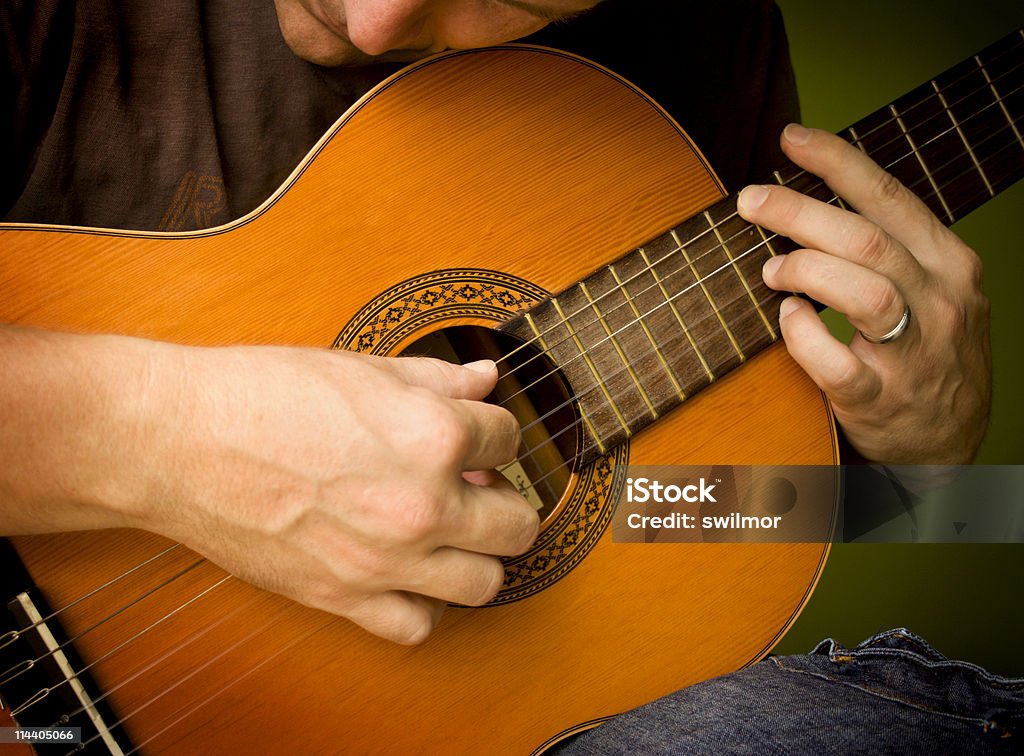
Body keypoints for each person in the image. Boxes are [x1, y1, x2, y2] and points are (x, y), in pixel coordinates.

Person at [3, 1, 1015, 750]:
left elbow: (680, 526)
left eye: (508, 0)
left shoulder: (693, 36)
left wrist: (909, 474)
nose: (374, 18)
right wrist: (166, 439)